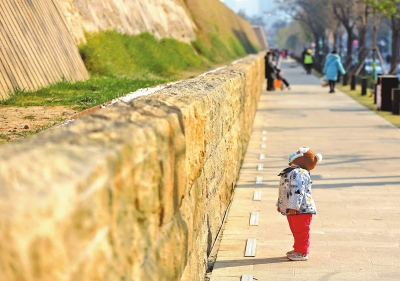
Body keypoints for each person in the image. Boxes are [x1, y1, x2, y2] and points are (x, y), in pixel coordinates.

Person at [276, 147, 322, 261]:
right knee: (295, 230)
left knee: (301, 231)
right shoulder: (292, 171)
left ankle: (302, 252)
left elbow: (297, 191)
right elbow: (284, 189)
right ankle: (298, 248)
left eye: (297, 153)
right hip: (293, 208)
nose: (293, 154)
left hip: (301, 209)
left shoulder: (299, 173)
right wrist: (281, 204)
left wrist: (293, 206)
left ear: (302, 159)